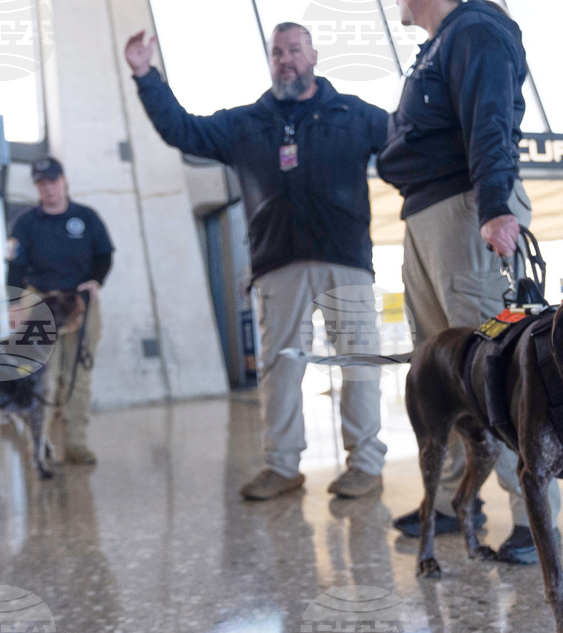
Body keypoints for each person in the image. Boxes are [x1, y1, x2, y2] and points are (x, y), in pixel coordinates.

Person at [124, 24, 390, 501]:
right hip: (277, 263)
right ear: (270, 61)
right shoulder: (247, 123)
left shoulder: (354, 115)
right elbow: (182, 130)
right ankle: (283, 467)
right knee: (280, 369)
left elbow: (407, 141)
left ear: (313, 55)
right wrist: (146, 76)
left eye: (295, 50)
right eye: (277, 52)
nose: (286, 59)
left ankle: (366, 465)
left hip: (345, 260)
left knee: (359, 363)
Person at [376, 0, 561, 564]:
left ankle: (536, 520)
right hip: (431, 214)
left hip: (467, 213)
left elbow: (490, 119)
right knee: (444, 374)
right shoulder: (438, 44)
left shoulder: (476, 28)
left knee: (496, 374)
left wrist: (495, 206)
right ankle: (463, 502)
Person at [6, 157, 114, 465]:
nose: (49, 189)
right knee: (43, 377)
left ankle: (77, 442)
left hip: (79, 302)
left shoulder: (86, 217)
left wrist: (97, 280)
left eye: (53, 182)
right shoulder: (25, 223)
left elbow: (104, 256)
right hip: (39, 302)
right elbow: (14, 266)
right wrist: (13, 304)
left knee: (78, 374)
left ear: (64, 181)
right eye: (42, 184)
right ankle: (41, 445)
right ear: (36, 187)